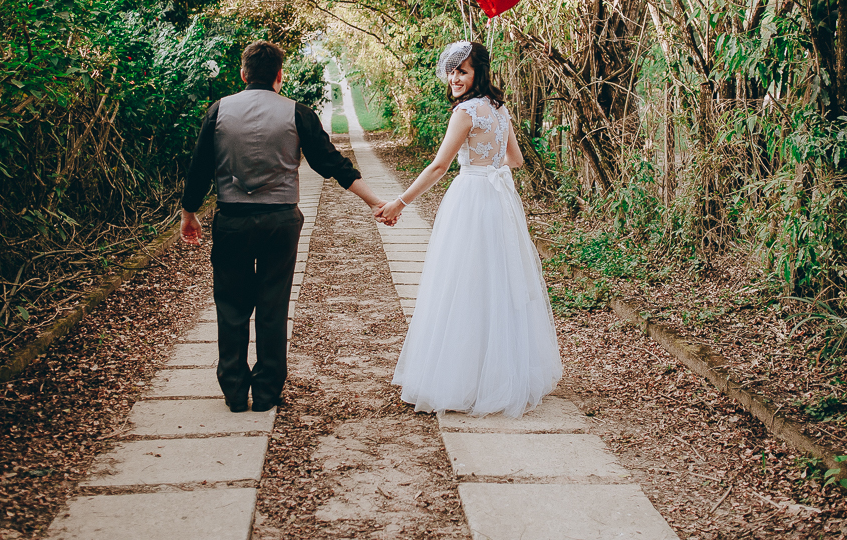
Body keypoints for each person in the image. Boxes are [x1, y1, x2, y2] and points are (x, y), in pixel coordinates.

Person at [180, 41, 386, 412]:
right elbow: (330, 163)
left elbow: (200, 167)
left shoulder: (218, 111)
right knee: (273, 304)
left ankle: (234, 391)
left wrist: (189, 212)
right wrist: (373, 201)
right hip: (280, 221)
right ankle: (266, 392)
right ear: (279, 76)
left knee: (231, 305)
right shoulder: (297, 112)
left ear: (243, 74)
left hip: (232, 221)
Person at [375, 41, 562, 417]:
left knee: (463, 280)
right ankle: (502, 374)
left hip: (471, 199)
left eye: (463, 71)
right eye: (452, 71)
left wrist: (400, 203)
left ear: (478, 73)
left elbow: (439, 167)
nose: (455, 78)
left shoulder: (465, 112)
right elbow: (515, 159)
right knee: (497, 280)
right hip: (498, 200)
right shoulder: (499, 108)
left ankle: (463, 379)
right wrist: (490, 167)